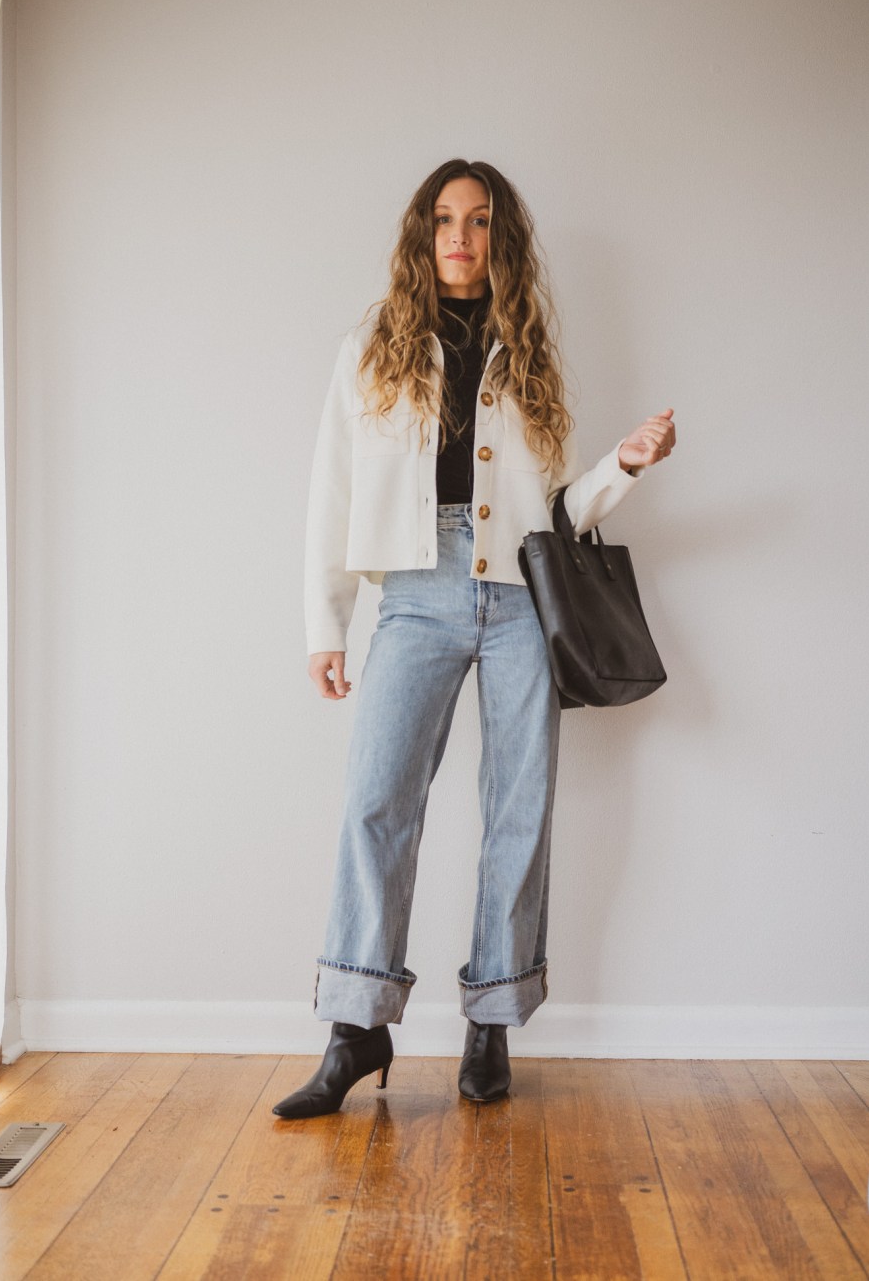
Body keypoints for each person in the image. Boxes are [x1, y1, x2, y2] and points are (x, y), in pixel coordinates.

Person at [272, 159, 676, 1119]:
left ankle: (489, 1022)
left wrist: (620, 465)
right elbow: (332, 490)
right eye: (444, 218)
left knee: (516, 813)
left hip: (519, 603)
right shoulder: (370, 345)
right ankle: (356, 1026)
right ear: (422, 234)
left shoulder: (528, 351)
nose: (460, 234)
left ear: (502, 238)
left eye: (481, 219)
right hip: (414, 595)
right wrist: (325, 623)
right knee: (377, 804)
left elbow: (558, 512)